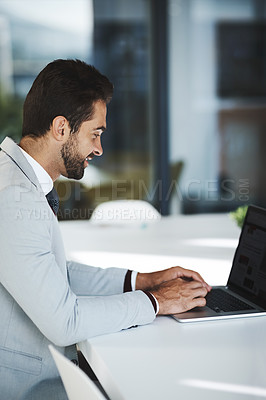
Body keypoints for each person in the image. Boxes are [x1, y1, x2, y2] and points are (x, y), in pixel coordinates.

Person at [0, 59, 211, 399]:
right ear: (60, 128)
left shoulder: (16, 179)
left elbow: (54, 273)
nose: (98, 148)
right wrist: (155, 302)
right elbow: (63, 322)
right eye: (95, 133)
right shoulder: (14, 197)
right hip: (30, 388)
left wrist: (141, 280)